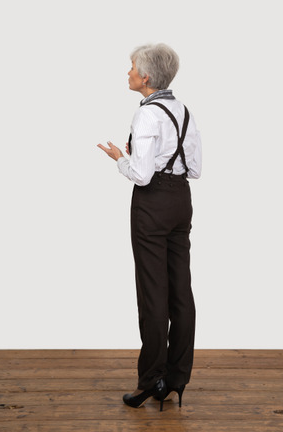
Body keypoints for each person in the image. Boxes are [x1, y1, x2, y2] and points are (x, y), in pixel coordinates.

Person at [97, 43, 202, 411]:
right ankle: (177, 378)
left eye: (131, 68)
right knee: (181, 291)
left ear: (146, 77)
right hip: (181, 202)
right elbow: (195, 168)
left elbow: (141, 175)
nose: (127, 73)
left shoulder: (146, 115)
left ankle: (150, 380)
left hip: (153, 202)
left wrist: (120, 160)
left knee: (152, 294)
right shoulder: (183, 110)